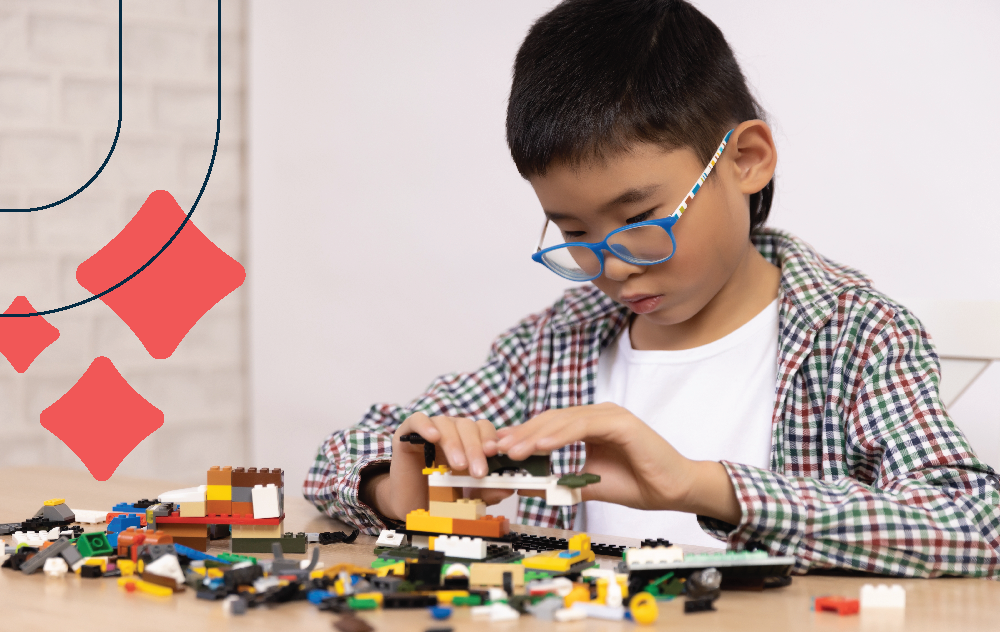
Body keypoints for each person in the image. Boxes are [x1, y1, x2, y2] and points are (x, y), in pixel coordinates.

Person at [304, 0, 1000, 576]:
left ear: (746, 160)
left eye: (640, 220)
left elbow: (975, 525)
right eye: (573, 231)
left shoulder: (855, 336)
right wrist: (394, 488)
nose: (613, 265)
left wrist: (699, 486)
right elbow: (340, 452)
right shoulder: (553, 346)